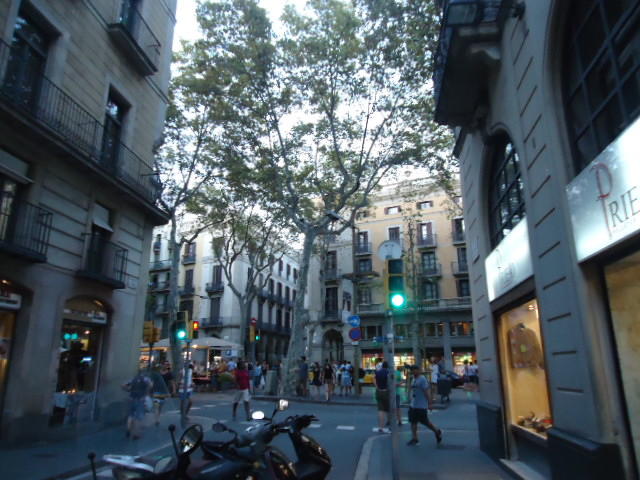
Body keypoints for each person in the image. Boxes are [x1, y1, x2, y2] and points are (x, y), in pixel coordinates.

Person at [407, 365, 442, 446]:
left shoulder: (422, 379)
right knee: (413, 422)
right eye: (412, 370)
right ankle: (415, 438)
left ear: (418, 370)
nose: (413, 371)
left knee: (425, 422)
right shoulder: (413, 379)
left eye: (415, 370)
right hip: (413, 405)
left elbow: (427, 391)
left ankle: (437, 431)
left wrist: (430, 403)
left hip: (421, 405)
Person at [123, 370, 152, 439]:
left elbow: (123, 385)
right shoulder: (145, 379)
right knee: (138, 417)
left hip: (131, 399)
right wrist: (146, 391)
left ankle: (128, 429)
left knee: (130, 415)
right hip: (140, 399)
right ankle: (136, 434)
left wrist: (128, 390)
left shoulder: (133, 379)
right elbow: (151, 385)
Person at [374, 361, 390, 433]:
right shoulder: (388, 373)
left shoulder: (378, 372)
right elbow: (390, 382)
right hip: (386, 391)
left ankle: (381, 427)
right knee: (388, 409)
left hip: (379, 391)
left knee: (380, 410)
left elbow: (374, 378)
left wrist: (376, 386)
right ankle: (389, 422)